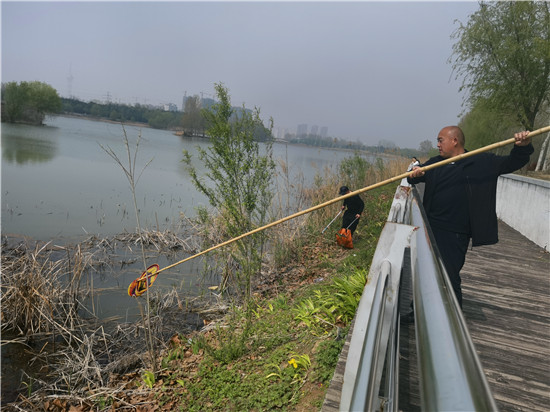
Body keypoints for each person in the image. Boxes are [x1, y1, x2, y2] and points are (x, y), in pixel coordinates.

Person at [407, 126, 533, 309]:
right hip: (431, 227)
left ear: (454, 141)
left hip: (456, 232)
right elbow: (413, 178)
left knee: (448, 275)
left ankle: (453, 313)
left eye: (441, 140)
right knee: (426, 270)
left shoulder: (480, 162)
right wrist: (415, 173)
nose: (438, 145)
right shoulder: (435, 163)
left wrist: (523, 146)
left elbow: (513, 162)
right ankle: (416, 310)